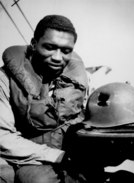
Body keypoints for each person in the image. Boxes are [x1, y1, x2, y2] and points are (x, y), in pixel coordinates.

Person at [0, 15, 88, 183]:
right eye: (49, 47)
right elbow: (2, 136)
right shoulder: (4, 80)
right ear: (33, 44)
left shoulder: (78, 81)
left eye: (65, 50)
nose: (57, 57)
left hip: (68, 155)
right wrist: (55, 156)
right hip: (27, 158)